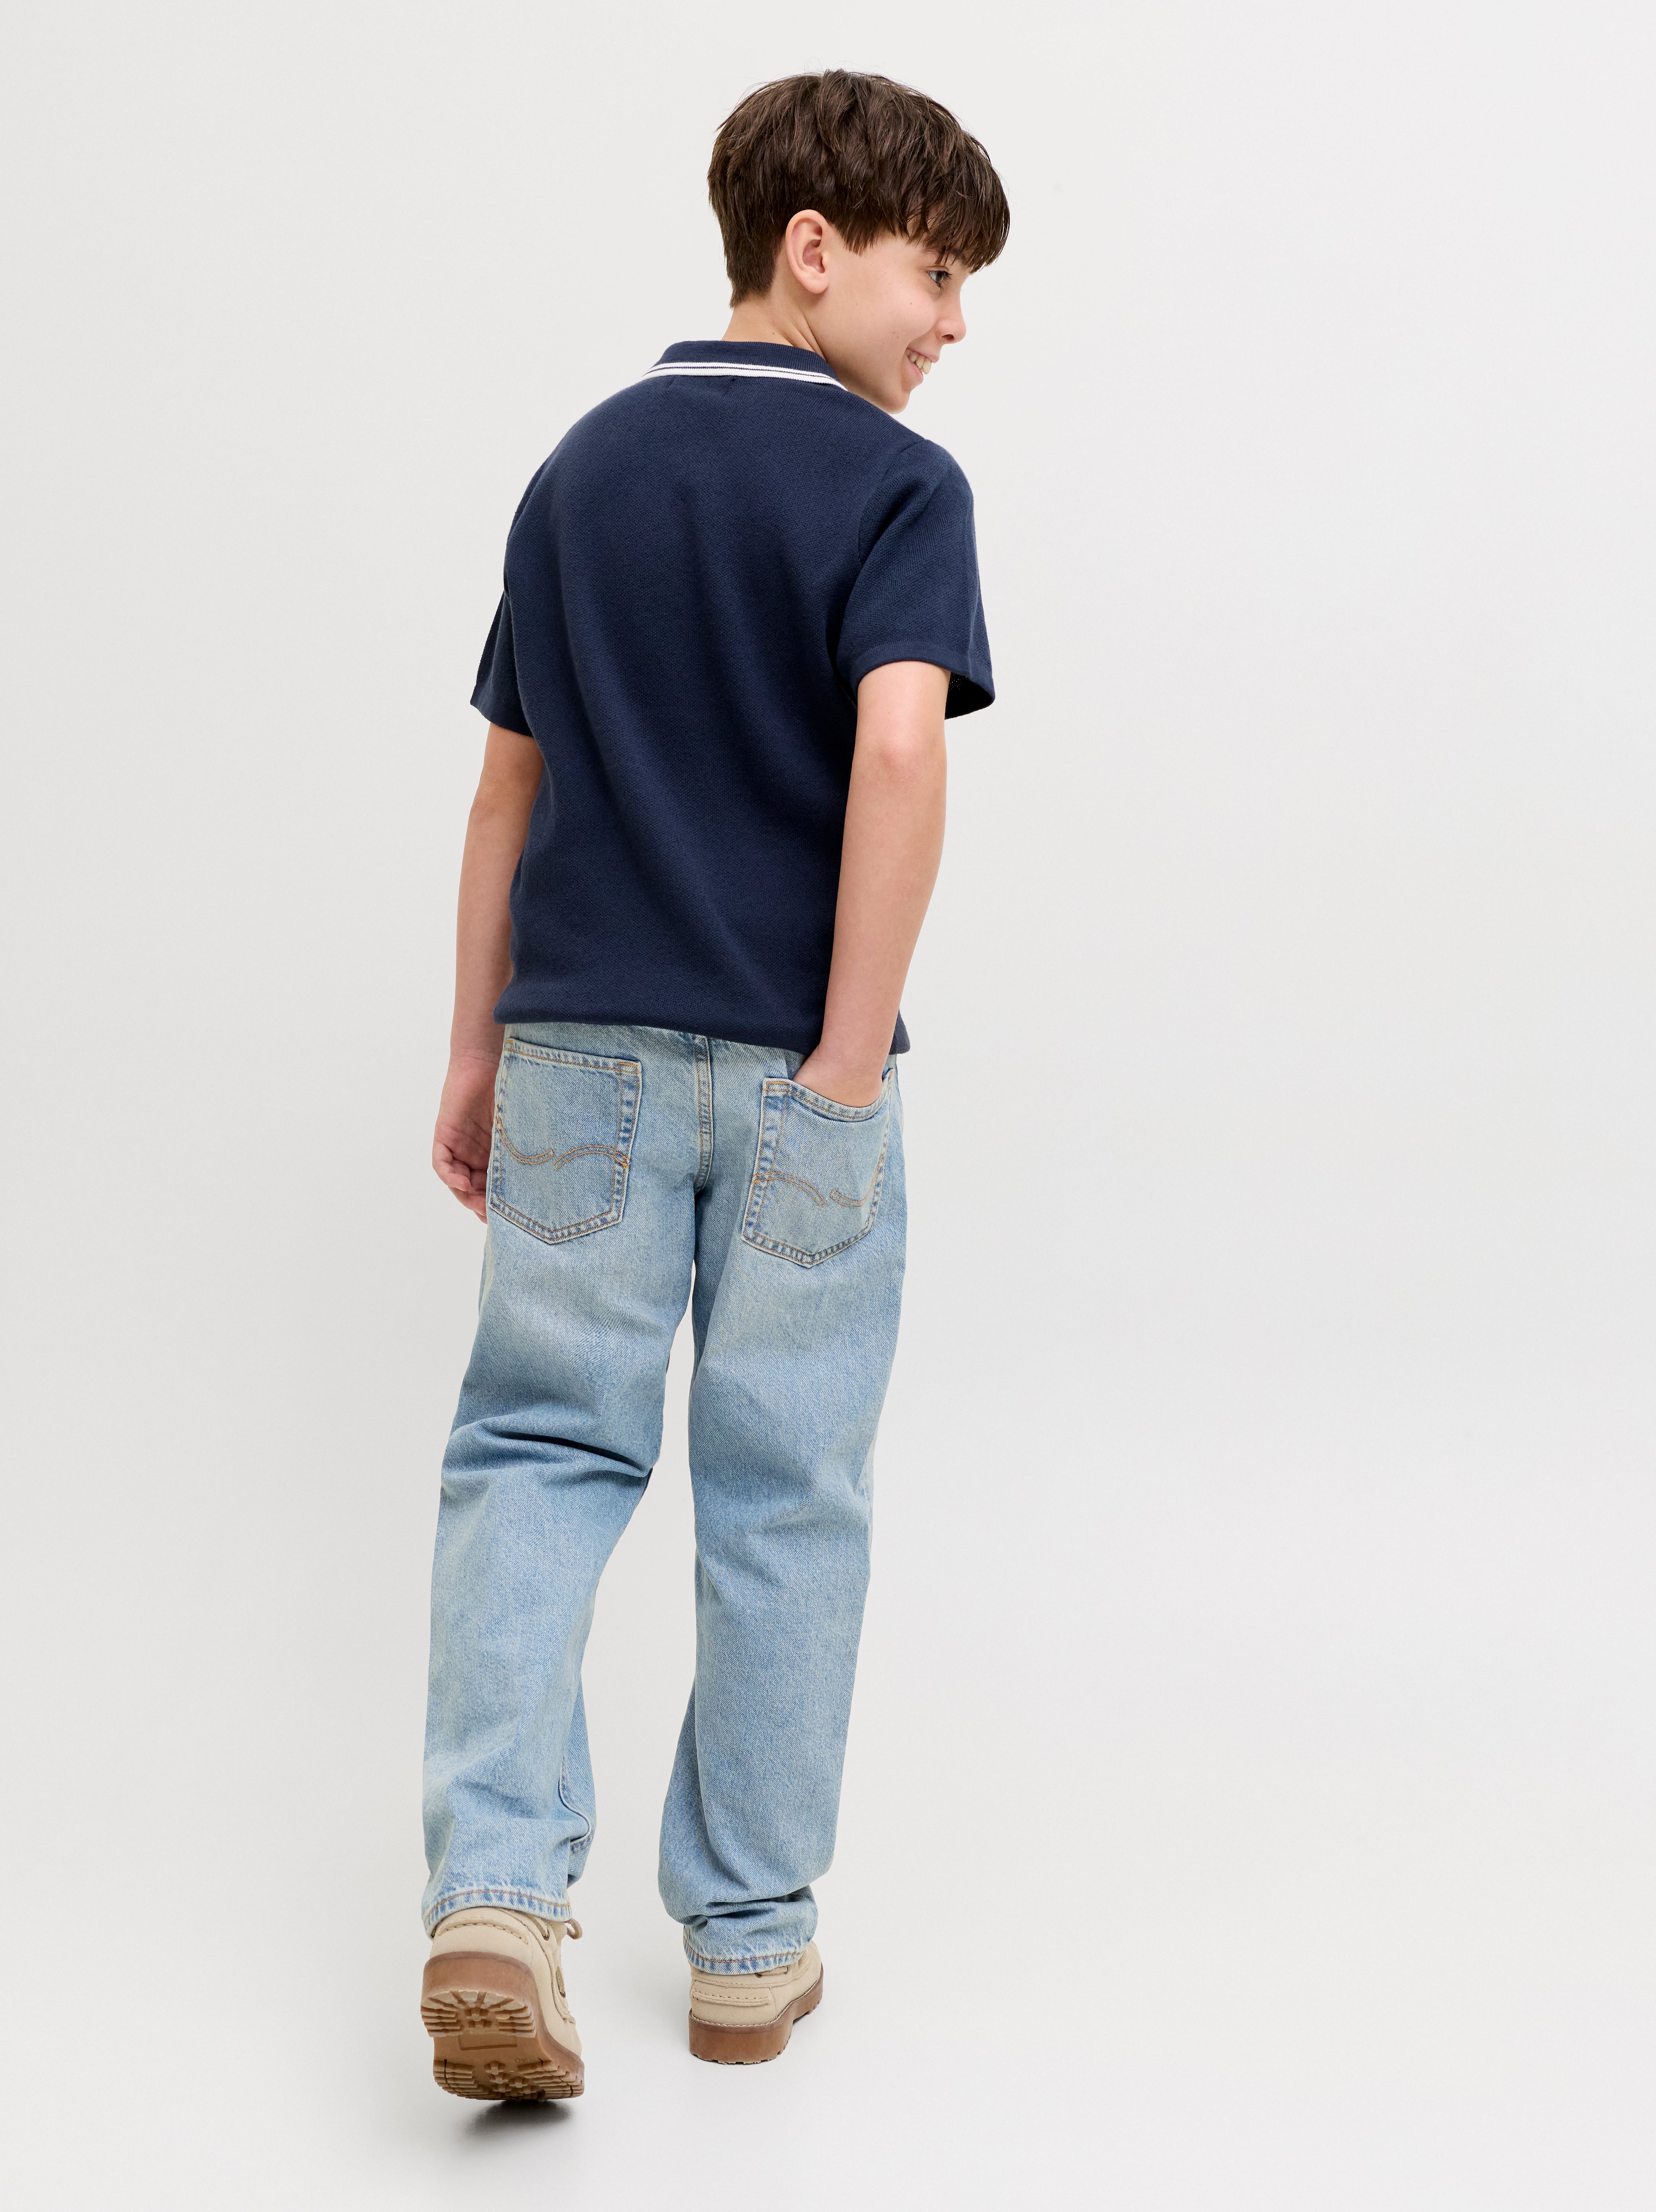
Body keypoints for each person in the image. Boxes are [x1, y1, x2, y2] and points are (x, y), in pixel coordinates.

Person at [417, 69, 1009, 2100]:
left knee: (532, 1453)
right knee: (785, 1492)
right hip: (793, 1070)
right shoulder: (898, 489)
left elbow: (506, 788)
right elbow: (902, 751)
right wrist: (843, 1056)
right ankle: (748, 1946)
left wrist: (478, 1045)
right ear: (812, 250)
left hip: (572, 1050)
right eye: (937, 274)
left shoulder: (579, 468)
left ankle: (496, 1894)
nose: (955, 324)